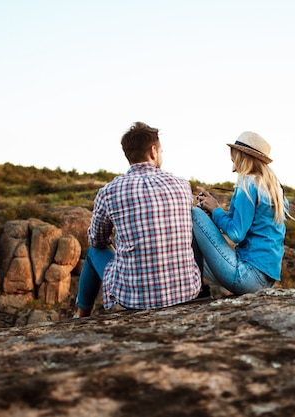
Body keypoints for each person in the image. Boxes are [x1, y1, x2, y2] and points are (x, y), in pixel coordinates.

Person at [74, 121, 201, 317]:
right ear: (153, 151)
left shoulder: (109, 192)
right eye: (161, 151)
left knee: (93, 252)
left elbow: (97, 241)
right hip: (186, 292)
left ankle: (81, 315)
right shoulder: (182, 185)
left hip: (136, 300)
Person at [192, 131, 289, 295]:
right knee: (201, 223)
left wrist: (215, 209)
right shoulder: (275, 190)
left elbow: (236, 234)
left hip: (246, 277)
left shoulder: (247, 183)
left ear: (244, 159)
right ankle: (196, 283)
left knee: (194, 214)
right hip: (265, 281)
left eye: (234, 161)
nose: (233, 169)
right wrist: (214, 212)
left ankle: (194, 287)